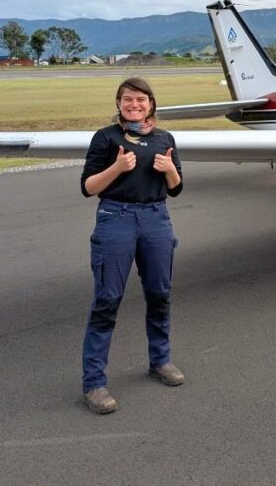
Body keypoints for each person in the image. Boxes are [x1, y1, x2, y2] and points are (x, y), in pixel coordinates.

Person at [79, 77, 185, 414]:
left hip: (156, 218)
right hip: (116, 217)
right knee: (107, 299)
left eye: (140, 99)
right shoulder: (106, 138)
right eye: (127, 99)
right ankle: (94, 383)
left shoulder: (164, 138)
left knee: (159, 294)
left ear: (151, 103)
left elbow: (176, 188)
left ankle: (161, 361)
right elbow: (89, 187)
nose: (134, 105)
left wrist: (170, 169)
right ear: (119, 103)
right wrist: (117, 167)